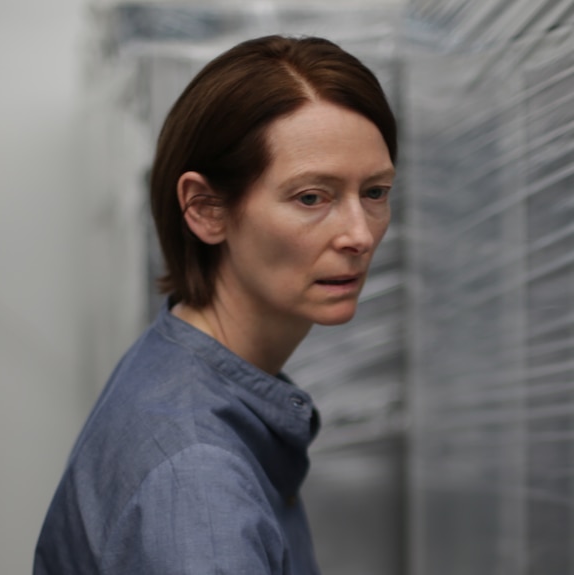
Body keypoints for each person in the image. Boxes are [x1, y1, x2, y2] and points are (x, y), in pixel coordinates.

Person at [34, 34, 397, 574]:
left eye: (374, 192)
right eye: (311, 197)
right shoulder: (198, 486)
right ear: (205, 210)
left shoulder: (176, 364)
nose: (359, 234)